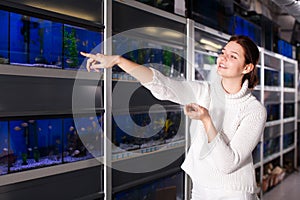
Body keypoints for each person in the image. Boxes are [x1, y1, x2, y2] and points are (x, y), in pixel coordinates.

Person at [81, 35, 267, 200]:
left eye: (233, 56)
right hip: (201, 187)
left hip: (233, 192)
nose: (223, 58)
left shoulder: (254, 110)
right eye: (223, 52)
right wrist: (119, 61)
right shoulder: (204, 92)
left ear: (247, 67)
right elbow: (164, 85)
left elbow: (228, 164)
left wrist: (206, 120)